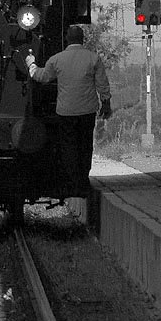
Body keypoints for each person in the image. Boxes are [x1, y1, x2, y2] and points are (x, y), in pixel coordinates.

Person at [25, 24, 112, 199]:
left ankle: (71, 185)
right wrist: (106, 104)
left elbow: (41, 77)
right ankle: (83, 183)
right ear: (82, 39)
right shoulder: (93, 58)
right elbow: (102, 85)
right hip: (87, 111)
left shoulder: (57, 59)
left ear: (66, 39)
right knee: (85, 147)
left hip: (66, 112)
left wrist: (31, 64)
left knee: (68, 149)